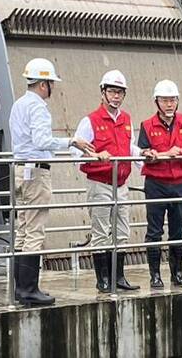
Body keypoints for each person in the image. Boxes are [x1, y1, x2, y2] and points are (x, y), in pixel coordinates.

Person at [9, 58, 92, 306]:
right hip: (36, 171)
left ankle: (20, 288)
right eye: (51, 83)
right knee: (35, 229)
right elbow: (42, 140)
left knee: (23, 228)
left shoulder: (19, 104)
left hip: (20, 169)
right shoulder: (38, 107)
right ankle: (29, 289)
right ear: (44, 84)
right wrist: (71, 142)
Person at [71, 70, 140, 293]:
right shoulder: (90, 121)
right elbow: (76, 152)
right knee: (100, 232)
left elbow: (129, 147)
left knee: (122, 231)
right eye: (112, 91)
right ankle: (102, 280)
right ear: (103, 92)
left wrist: (143, 156)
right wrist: (94, 156)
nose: (116, 96)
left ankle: (118, 276)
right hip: (100, 182)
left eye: (119, 92)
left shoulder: (127, 120)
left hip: (121, 183)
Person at [138, 79, 182, 289]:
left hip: (180, 183)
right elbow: (144, 153)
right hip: (156, 183)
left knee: (178, 229)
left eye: (173, 100)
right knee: (154, 230)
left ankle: (177, 273)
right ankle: (155, 275)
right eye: (165, 100)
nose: (169, 104)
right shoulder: (147, 125)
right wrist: (165, 154)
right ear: (156, 102)